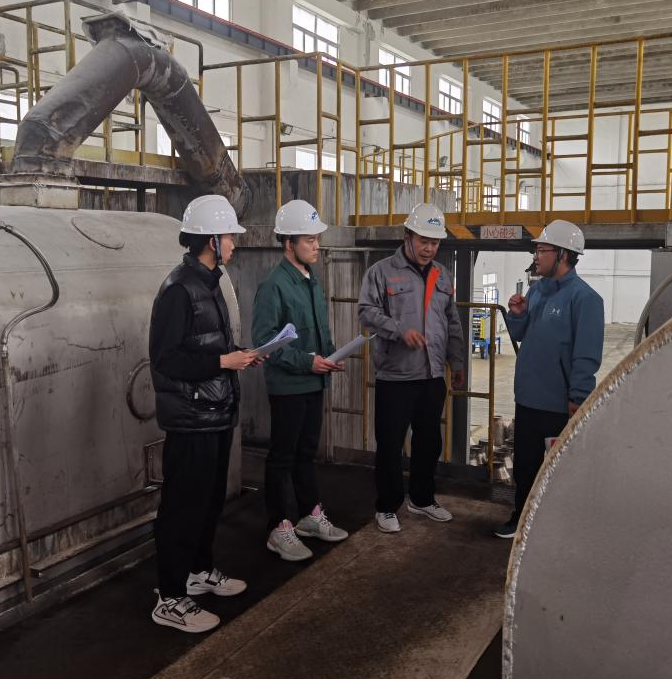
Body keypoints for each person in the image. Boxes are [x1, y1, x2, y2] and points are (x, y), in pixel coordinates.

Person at [148, 194, 261, 633]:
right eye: (229, 236)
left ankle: (197, 571)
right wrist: (222, 362)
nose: (234, 243)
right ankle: (170, 598)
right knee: (182, 507)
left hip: (214, 411)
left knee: (209, 501)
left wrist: (239, 355)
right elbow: (166, 360)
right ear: (211, 240)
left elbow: (207, 345)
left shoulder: (210, 284)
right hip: (191, 417)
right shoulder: (179, 290)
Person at [358, 202, 467, 534]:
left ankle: (421, 498)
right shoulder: (381, 272)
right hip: (396, 376)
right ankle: (387, 506)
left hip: (432, 375)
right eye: (423, 241)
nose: (429, 248)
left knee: (429, 441)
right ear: (407, 236)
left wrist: (457, 362)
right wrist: (398, 330)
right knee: (391, 444)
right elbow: (366, 311)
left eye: (435, 242)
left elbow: (452, 322)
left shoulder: (442, 274)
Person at [494, 219, 604, 539]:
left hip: (559, 405)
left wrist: (578, 398)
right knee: (525, 466)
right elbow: (521, 335)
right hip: (528, 398)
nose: (536, 256)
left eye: (542, 250)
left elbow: (586, 355)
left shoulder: (585, 299)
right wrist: (517, 315)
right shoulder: (537, 290)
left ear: (563, 255)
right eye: (537, 250)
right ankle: (521, 519)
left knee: (559, 470)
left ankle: (558, 528)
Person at [252, 200, 348, 562]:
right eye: (310, 240)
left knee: (306, 454)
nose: (316, 246)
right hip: (289, 386)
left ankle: (309, 515)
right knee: (282, 457)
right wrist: (309, 362)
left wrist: (332, 355)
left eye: (317, 239)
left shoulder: (312, 280)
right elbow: (266, 343)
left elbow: (320, 331)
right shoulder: (273, 286)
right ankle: (278, 528)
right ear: (288, 243)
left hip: (313, 383)